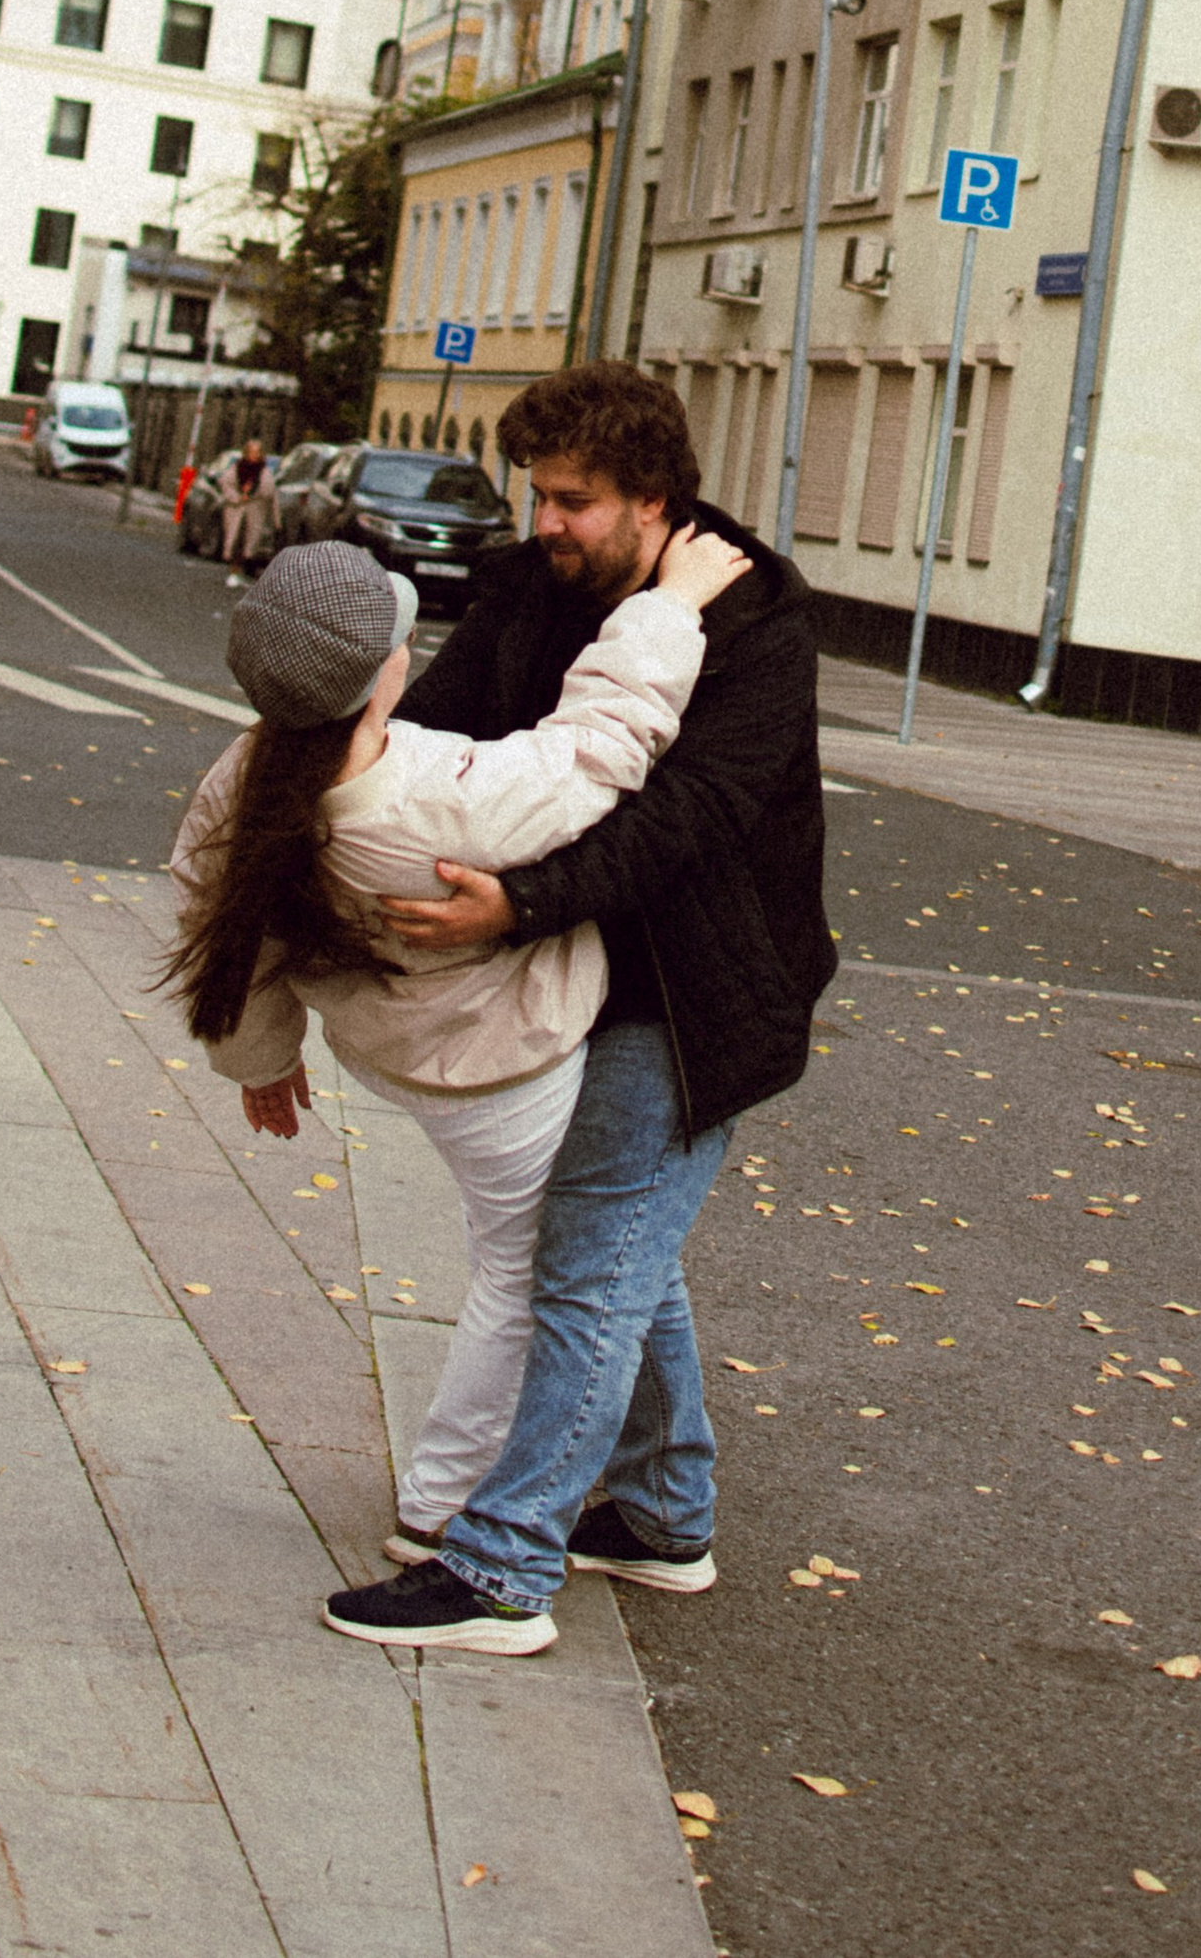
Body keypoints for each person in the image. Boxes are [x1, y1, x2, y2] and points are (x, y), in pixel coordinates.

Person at [321, 359, 830, 1658]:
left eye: (574, 500)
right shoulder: (525, 585)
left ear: (655, 499)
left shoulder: (754, 612)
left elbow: (692, 815)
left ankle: (500, 1566)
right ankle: (664, 1511)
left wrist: (517, 903)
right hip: (588, 968)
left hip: (700, 982)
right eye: (537, 492)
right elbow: (433, 737)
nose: (544, 520)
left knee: (589, 1258)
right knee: (613, 1239)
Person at [164, 527, 751, 1640]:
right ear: (386, 669)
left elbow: (217, 926)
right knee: (532, 1275)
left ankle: (669, 1508)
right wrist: (670, 604)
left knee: (622, 1253)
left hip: (398, 1056)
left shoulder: (245, 780)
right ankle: (446, 1514)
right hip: (509, 1065)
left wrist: (262, 1059)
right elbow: (596, 746)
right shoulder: (440, 794)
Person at [220, 436, 273, 584]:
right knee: (235, 539)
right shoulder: (238, 467)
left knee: (249, 541)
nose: (255, 455)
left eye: (258, 452)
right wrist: (237, 497)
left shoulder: (264, 470)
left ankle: (241, 569)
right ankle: (233, 569)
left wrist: (251, 494)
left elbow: (268, 489)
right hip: (236, 510)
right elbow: (226, 483)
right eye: (252, 452)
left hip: (254, 511)